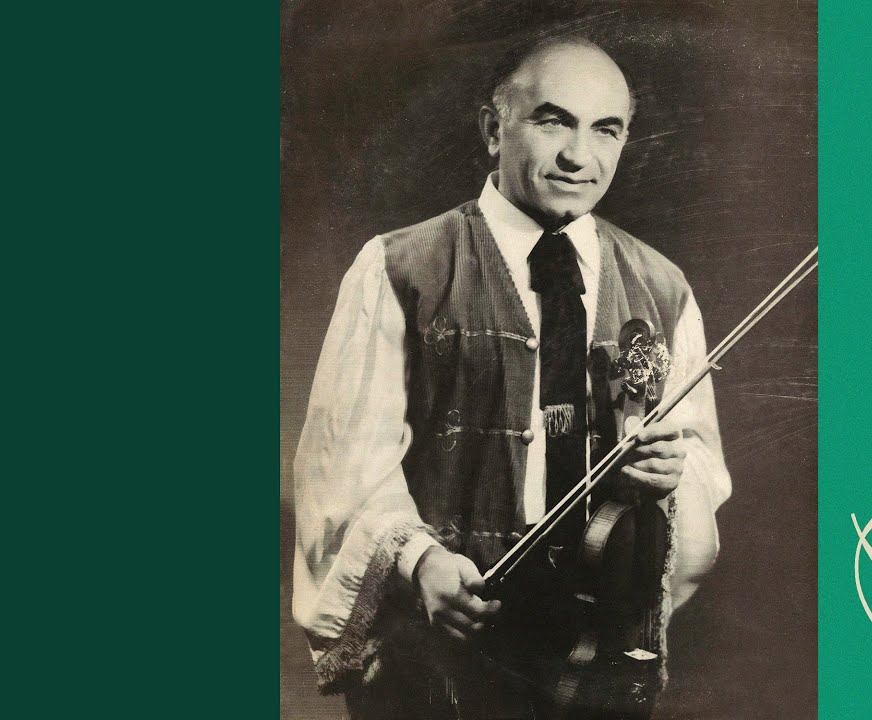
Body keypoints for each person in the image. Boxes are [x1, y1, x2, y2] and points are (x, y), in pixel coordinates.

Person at [291, 35, 731, 719]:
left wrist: (673, 474)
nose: (579, 156)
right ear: (494, 130)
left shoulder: (663, 285)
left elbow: (701, 466)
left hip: (590, 649)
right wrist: (421, 563)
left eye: (606, 129)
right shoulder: (398, 268)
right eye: (553, 121)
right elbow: (342, 466)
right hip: (443, 645)